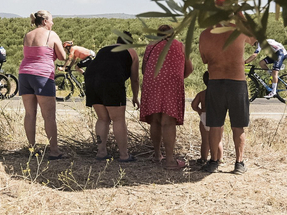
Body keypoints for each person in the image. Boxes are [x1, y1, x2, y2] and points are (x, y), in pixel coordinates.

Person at [199, 11, 256, 174]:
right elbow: (255, 39)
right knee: (238, 125)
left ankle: (214, 161)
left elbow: (205, 59)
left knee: (215, 124)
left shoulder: (205, 34)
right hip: (237, 82)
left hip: (215, 82)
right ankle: (239, 163)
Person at [139, 25, 193, 170]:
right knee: (168, 122)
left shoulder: (150, 46)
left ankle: (157, 155)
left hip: (152, 84)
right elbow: (190, 68)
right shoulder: (180, 46)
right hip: (172, 84)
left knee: (155, 120)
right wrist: (179, 76)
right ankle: (170, 160)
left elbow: (144, 70)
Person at [83, 32, 140, 162]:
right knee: (118, 119)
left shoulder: (104, 49)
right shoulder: (131, 51)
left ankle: (101, 152)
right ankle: (124, 155)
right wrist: (135, 96)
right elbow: (135, 78)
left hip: (91, 79)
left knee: (103, 118)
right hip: (111, 81)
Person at [18, 10, 66, 159]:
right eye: (51, 20)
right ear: (45, 21)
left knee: (30, 114)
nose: (52, 23)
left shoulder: (28, 35)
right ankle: (54, 151)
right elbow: (63, 57)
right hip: (42, 75)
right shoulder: (51, 35)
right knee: (49, 116)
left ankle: (32, 149)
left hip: (24, 74)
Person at [190, 72, 221, 165]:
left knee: (205, 140)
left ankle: (203, 158)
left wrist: (200, 111)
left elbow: (194, 105)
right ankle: (219, 158)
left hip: (204, 116)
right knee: (218, 139)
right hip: (216, 116)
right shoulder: (218, 94)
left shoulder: (201, 94)